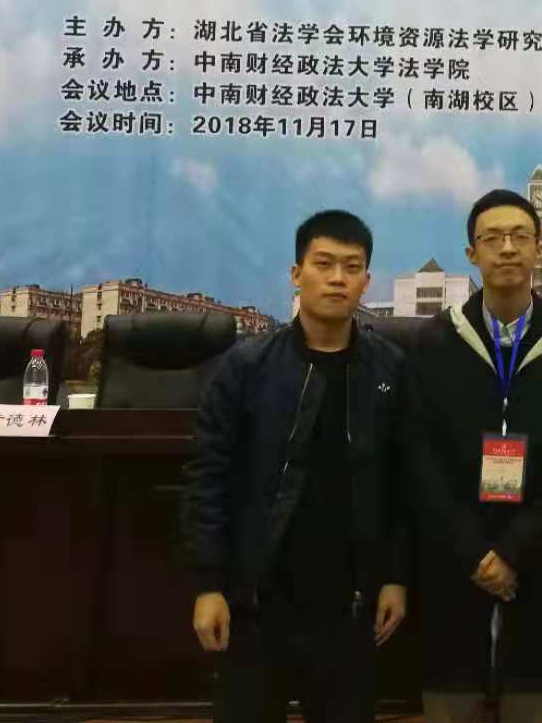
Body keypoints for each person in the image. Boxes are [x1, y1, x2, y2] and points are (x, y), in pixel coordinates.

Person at [182, 210, 409, 723]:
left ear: (366, 281)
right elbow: (208, 479)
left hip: (349, 606)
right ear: (296, 274)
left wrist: (396, 577)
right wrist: (208, 584)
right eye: (323, 264)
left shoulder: (390, 369)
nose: (337, 278)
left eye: (352, 267)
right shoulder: (247, 367)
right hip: (257, 603)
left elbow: (400, 486)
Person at [404, 188, 542, 723]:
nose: (507, 248)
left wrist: (514, 549)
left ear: (539, 248)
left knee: (530, 702)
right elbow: (421, 459)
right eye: (493, 238)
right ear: (472, 253)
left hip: (540, 562)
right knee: (450, 700)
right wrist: (473, 550)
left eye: (520, 236)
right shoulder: (434, 343)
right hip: (454, 562)